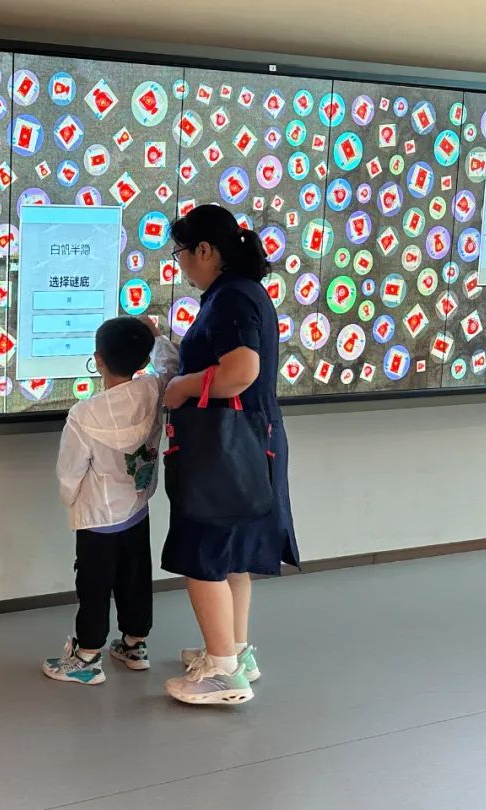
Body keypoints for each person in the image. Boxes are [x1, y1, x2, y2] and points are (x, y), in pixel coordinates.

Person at [160, 204, 300, 706]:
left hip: (224, 445)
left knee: (204, 554)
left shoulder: (230, 298)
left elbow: (240, 372)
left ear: (204, 250)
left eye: (180, 253)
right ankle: (235, 652)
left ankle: (222, 675)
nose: (180, 265)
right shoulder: (244, 291)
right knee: (234, 555)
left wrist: (180, 387)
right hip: (248, 441)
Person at [43, 315, 179, 685]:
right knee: (136, 576)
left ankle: (87, 656)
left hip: (97, 517)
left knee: (94, 585)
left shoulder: (84, 413)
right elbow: (172, 365)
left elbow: (69, 472)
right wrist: (157, 335)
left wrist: (71, 501)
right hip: (136, 508)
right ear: (143, 359)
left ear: (98, 359)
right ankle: (134, 645)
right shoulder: (154, 389)